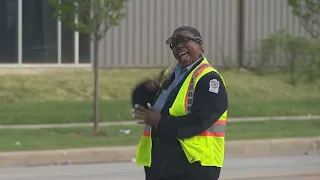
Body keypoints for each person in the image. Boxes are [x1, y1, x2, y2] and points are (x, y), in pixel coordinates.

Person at [132, 26, 228, 180]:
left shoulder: (209, 78)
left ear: (199, 44)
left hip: (194, 165)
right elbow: (140, 105)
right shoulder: (169, 75)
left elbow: (201, 119)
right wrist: (146, 90)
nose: (178, 46)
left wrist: (160, 121)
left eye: (184, 40)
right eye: (174, 43)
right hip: (162, 163)